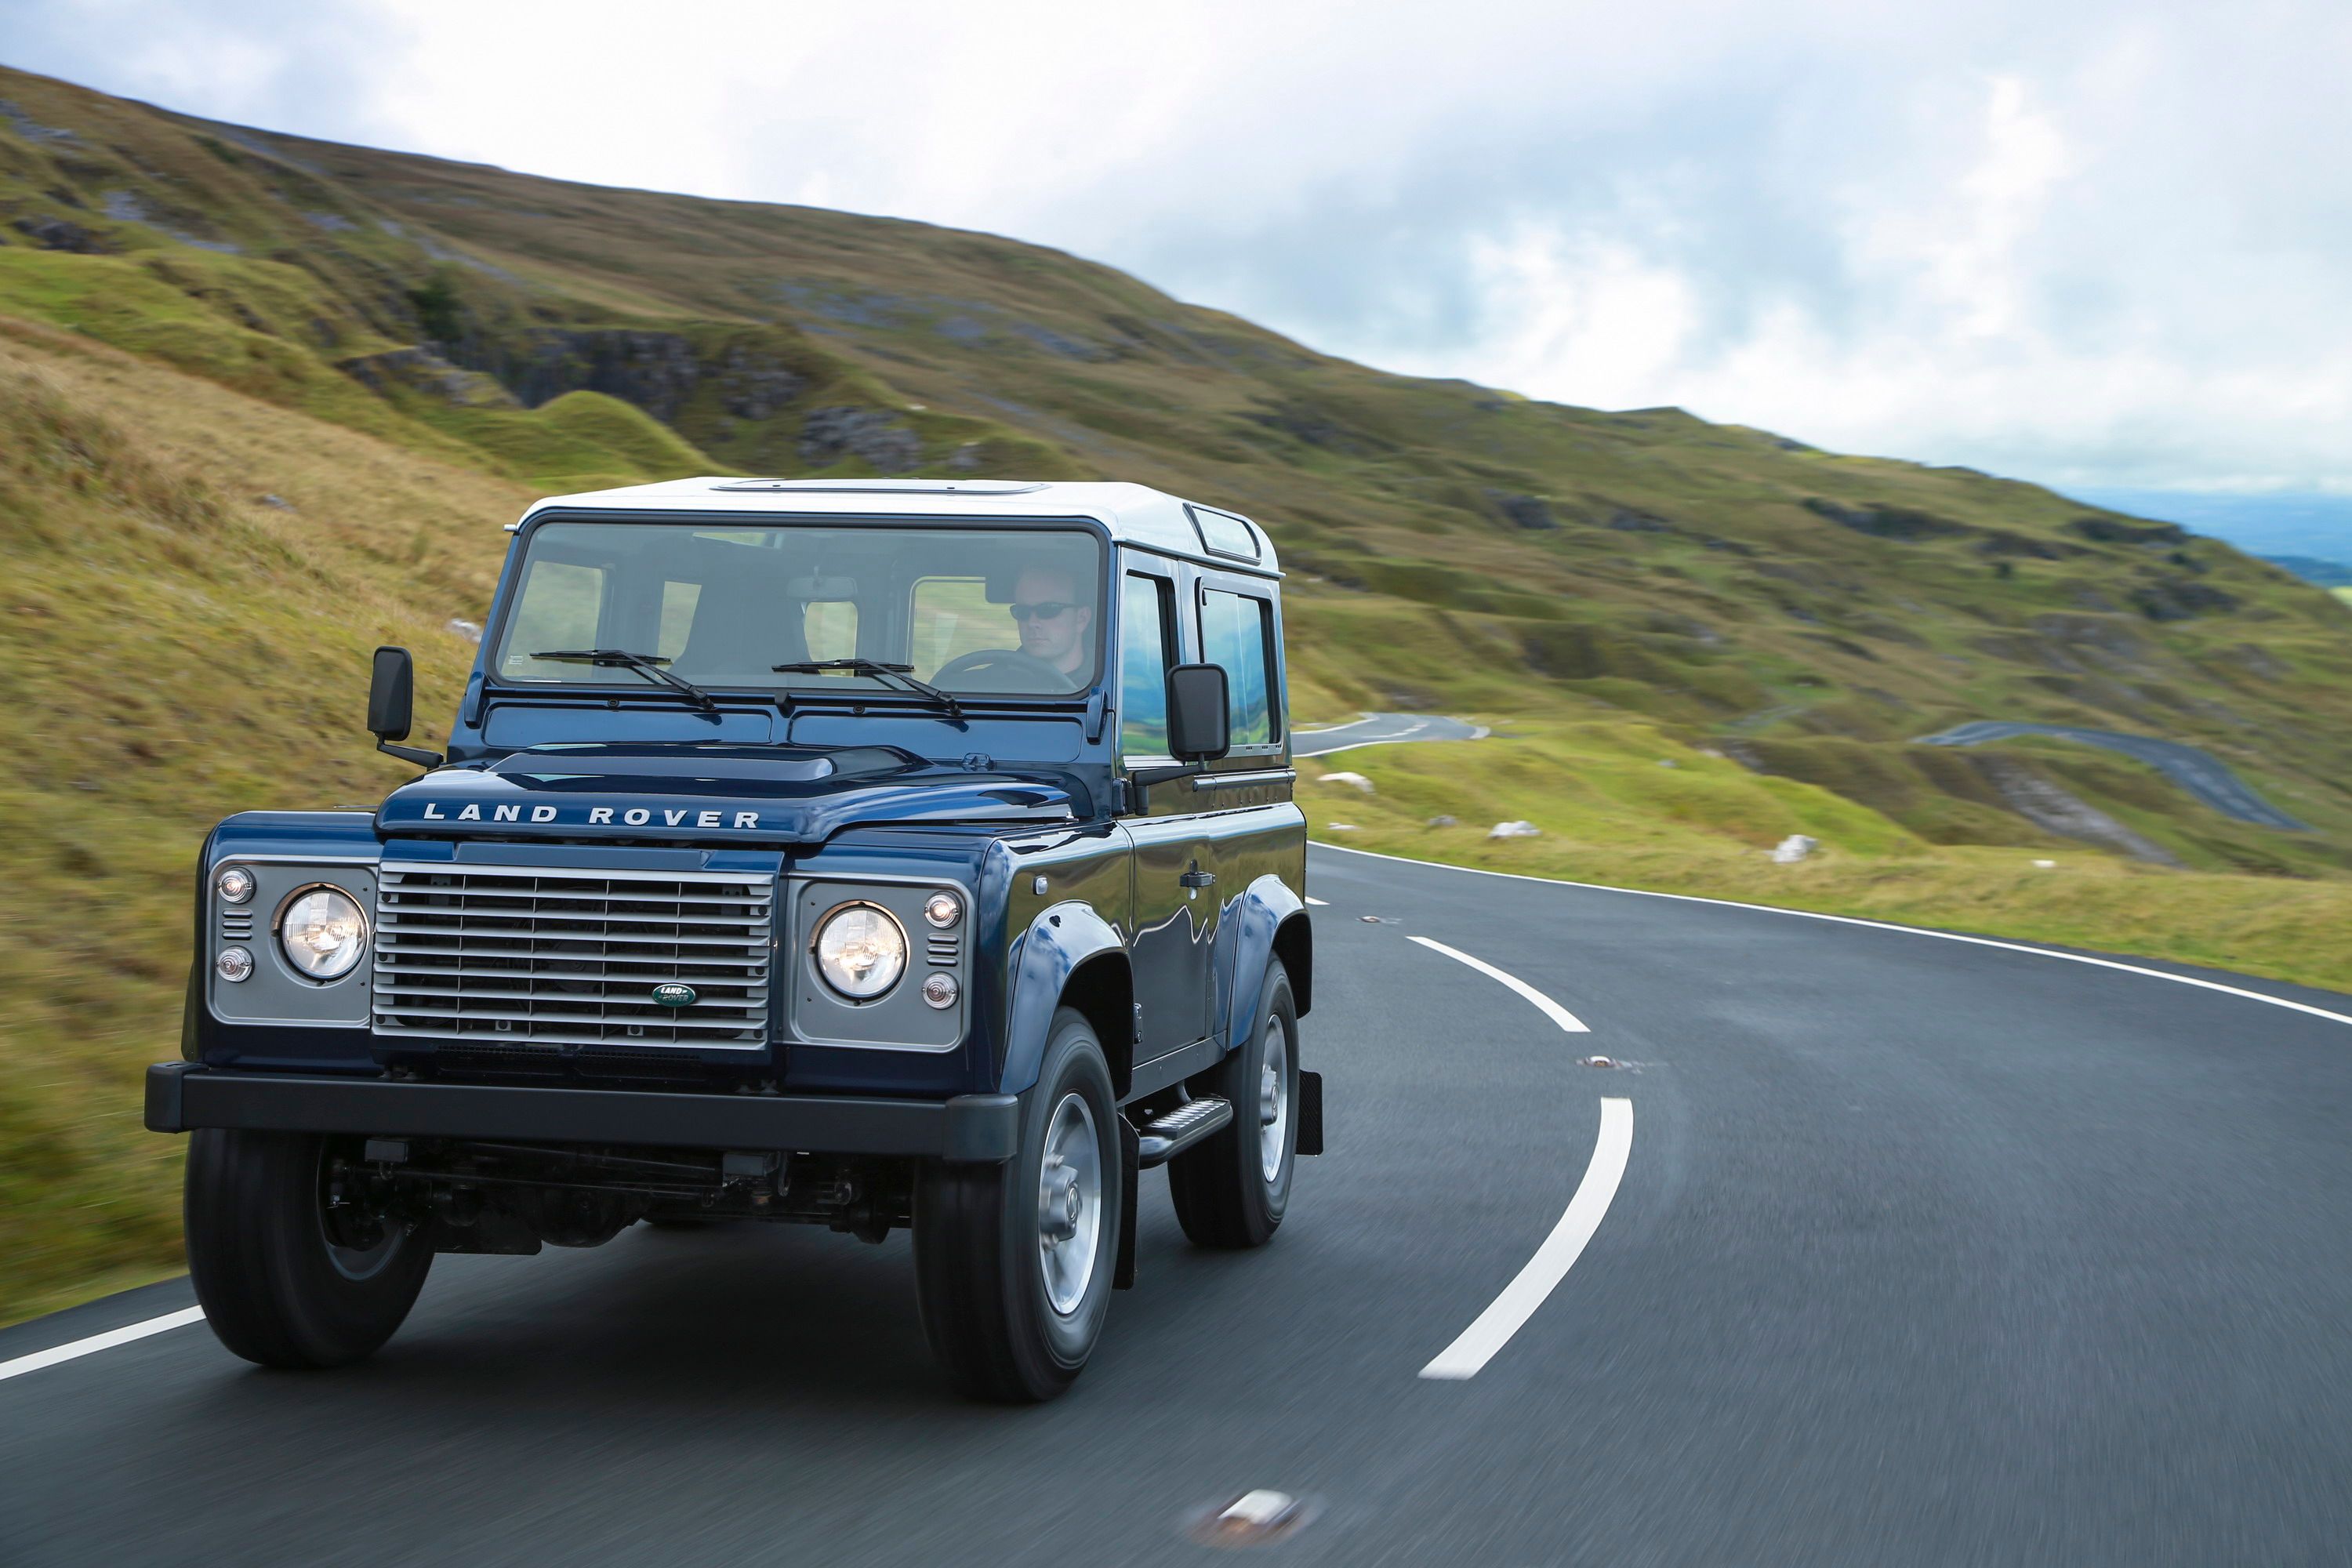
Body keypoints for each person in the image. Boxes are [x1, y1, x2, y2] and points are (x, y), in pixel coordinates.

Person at [1008, 563, 1094, 686]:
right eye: (1023, 612)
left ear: (1081, 618)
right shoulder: (990, 683)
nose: (1032, 623)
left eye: (1048, 610)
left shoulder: (1111, 686)